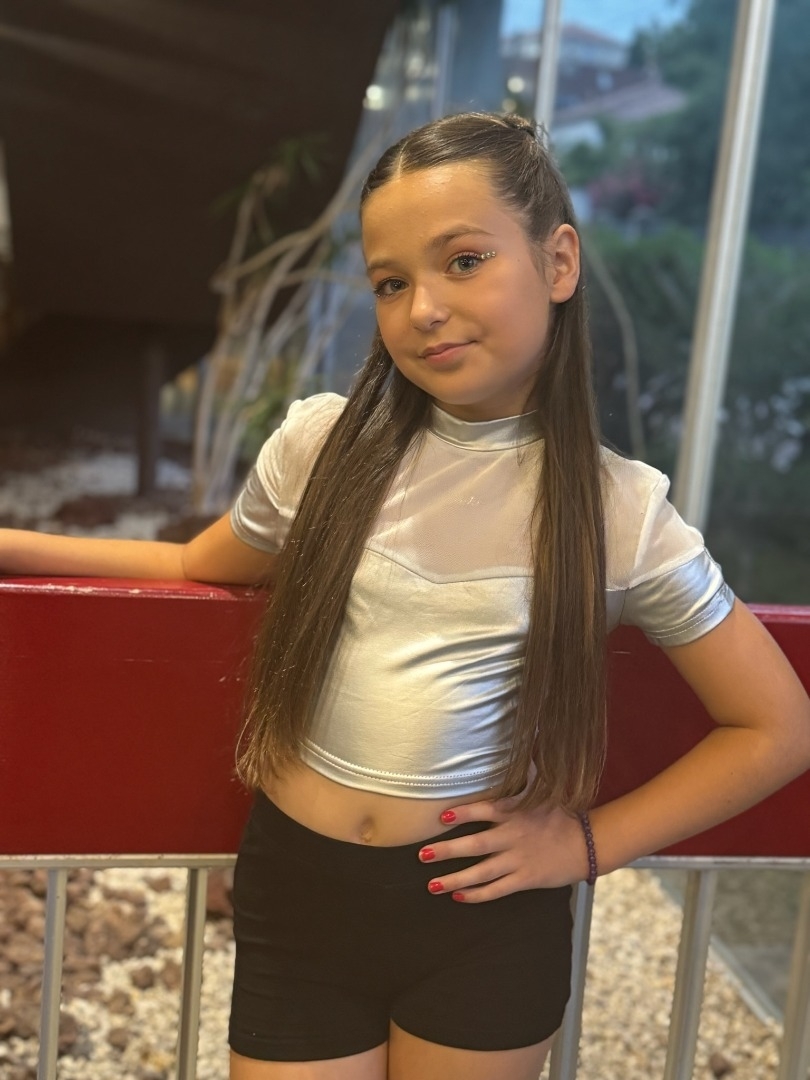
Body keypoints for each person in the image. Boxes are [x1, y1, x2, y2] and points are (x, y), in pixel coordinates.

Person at [2, 111, 809, 1080]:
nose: (423, 308)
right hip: (300, 895)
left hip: (482, 920)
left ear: (558, 262)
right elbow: (191, 566)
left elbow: (778, 726)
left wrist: (587, 845)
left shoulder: (621, 512)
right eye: (390, 282)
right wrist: (13, 544)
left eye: (464, 261)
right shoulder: (320, 447)